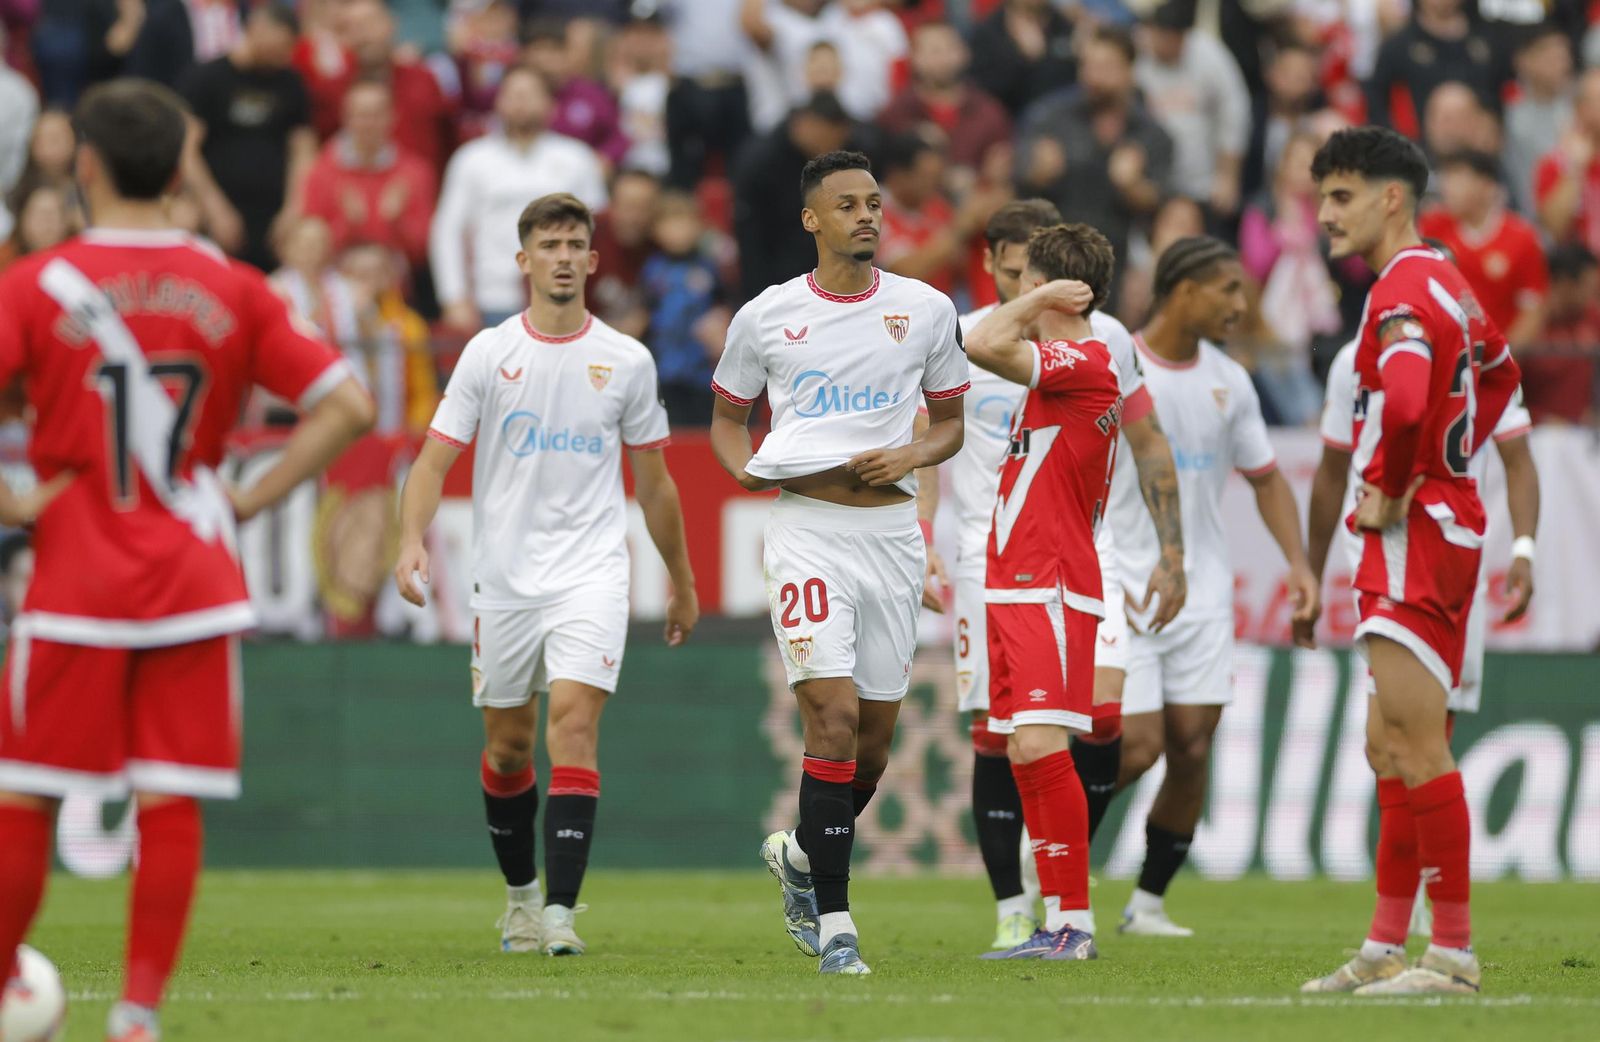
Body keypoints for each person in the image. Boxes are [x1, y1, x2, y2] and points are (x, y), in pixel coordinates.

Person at [0, 79, 374, 1042]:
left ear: (82, 164)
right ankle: (136, 1016)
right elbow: (349, 406)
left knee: (28, 793)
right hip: (194, 582)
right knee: (172, 797)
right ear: (178, 171)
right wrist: (245, 497)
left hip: (76, 577)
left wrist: (11, 496)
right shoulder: (230, 282)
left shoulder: (36, 283)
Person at [394, 192, 698, 958]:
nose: (563, 257)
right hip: (504, 580)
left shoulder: (627, 359)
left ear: (593, 261)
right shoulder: (489, 354)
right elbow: (433, 460)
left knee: (574, 725)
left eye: (575, 245)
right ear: (523, 261)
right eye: (549, 245)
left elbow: (655, 484)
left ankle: (561, 911)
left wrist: (682, 579)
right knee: (507, 747)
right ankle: (522, 898)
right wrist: (408, 540)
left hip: (592, 573)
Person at [710, 150, 968, 974]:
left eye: (873, 202)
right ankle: (837, 926)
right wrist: (740, 466)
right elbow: (726, 418)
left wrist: (911, 456)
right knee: (831, 718)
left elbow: (951, 427)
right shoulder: (767, 316)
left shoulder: (926, 310)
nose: (867, 215)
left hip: (891, 537)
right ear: (811, 220)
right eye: (847, 204)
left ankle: (797, 855)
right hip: (809, 529)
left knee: (875, 748)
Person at [922, 198, 1185, 952]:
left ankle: (1072, 918)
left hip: (1048, 576)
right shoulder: (1065, 369)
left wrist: (1037, 298)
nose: (1017, 295)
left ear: (1061, 295)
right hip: (1013, 574)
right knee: (1021, 747)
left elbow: (977, 339)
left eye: (1030, 282)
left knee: (1042, 745)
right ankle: (1058, 919)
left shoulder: (1084, 361)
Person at [1302, 125, 1523, 995]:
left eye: (1341, 196)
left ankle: (1454, 956)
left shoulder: (1400, 293)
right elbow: (1502, 378)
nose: (1324, 216)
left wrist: (1396, 482)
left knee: (1418, 744)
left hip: (1414, 533)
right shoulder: (1448, 283)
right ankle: (1386, 944)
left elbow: (1397, 405)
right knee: (1387, 745)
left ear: (1392, 197)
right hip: (1440, 524)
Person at [1103, 236, 1320, 937]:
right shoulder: (1115, 363)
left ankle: (1149, 904)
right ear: (1182, 290)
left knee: (1191, 745)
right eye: (1226, 289)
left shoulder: (1230, 379)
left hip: (1202, 587)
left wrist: (1298, 563)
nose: (1239, 303)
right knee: (1135, 746)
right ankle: (1052, 865)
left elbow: (1265, 479)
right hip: (1122, 577)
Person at [1307, 331, 1538, 942]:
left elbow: (1518, 458)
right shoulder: (1354, 356)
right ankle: (1402, 919)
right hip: (1374, 572)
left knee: (1417, 744)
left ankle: (1441, 927)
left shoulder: (1467, 358)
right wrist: (1308, 565)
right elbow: (1334, 467)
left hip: (1435, 566)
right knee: (1385, 747)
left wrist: (1524, 547)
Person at [431, 66, 607, 334]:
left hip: (563, 300)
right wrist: (453, 295)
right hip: (491, 299)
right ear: (497, 103)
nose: (521, 103)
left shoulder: (577, 159)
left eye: (530, 95)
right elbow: (448, 230)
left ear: (551, 105)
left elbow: (600, 233)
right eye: (513, 95)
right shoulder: (471, 159)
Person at [1016, 26, 1173, 293]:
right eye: (1088, 65)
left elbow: (1157, 203)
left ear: (1129, 70)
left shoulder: (1151, 133)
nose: (1093, 76)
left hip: (1116, 261)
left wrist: (1132, 186)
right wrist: (1038, 172)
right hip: (1051, 255)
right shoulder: (1050, 117)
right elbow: (1019, 181)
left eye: (1106, 66)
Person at [178, 3, 316, 269]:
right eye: (278, 48)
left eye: (288, 49)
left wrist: (293, 209)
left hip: (273, 217)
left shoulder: (291, 83)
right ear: (255, 29)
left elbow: (303, 151)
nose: (283, 56)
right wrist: (214, 208)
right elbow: (186, 149)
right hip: (218, 212)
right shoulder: (207, 77)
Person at [301, 79, 437, 274]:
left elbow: (424, 249)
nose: (369, 124)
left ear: (393, 116)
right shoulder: (321, 172)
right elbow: (308, 248)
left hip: (397, 287)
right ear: (345, 118)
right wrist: (347, 225)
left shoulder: (416, 172)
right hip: (335, 282)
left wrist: (397, 224)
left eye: (377, 115)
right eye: (362, 115)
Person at [730, 91, 853, 301]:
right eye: (827, 138)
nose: (832, 147)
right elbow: (752, 240)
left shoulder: (831, 159)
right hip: (772, 271)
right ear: (806, 125)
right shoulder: (760, 163)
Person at [1419, 150, 1548, 348]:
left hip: (1497, 357)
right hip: (1443, 353)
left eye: (1458, 178)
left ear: (1487, 186)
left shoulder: (1522, 238)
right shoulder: (1431, 228)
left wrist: (1502, 360)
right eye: (1446, 178)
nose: (1448, 188)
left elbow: (1533, 309)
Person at [640, 191, 729, 426]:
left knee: (702, 428)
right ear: (655, 229)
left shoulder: (709, 268)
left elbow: (723, 306)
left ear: (698, 226)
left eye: (684, 222)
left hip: (702, 370)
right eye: (670, 223)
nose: (678, 231)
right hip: (665, 368)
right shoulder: (652, 269)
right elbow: (645, 313)